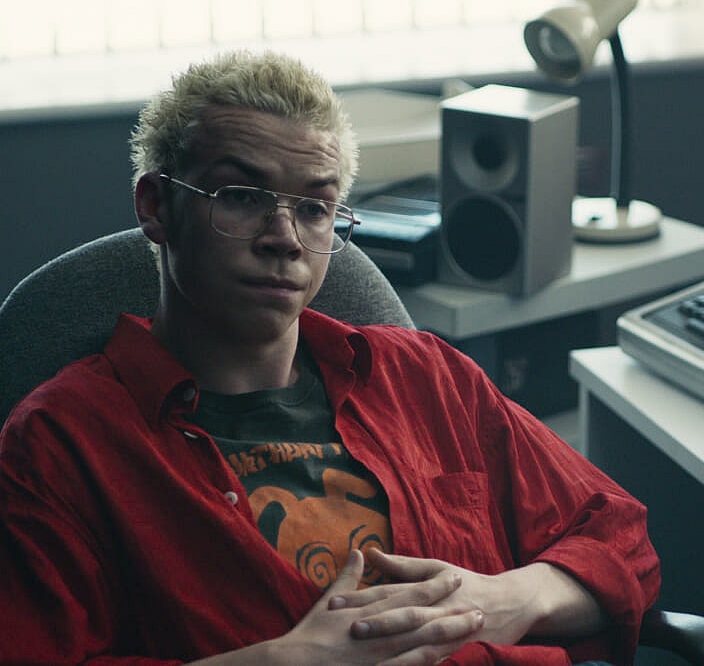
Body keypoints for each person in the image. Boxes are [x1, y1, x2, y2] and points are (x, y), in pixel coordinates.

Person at [0, 50, 659, 666]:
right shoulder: (61, 442)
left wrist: (507, 597)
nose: (284, 238)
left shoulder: (423, 375)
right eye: (242, 197)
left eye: (315, 208)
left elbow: (621, 537)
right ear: (156, 207)